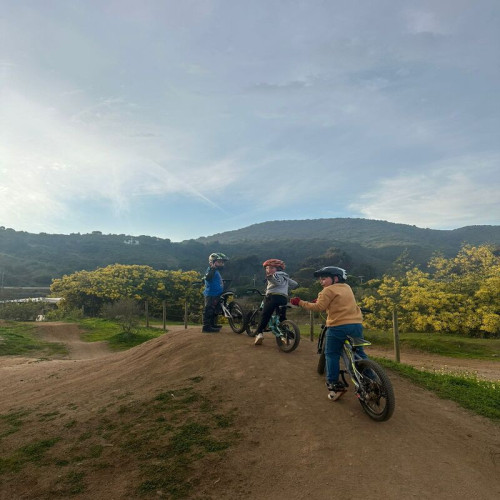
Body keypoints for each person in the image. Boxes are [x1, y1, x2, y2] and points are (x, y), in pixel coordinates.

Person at [290, 266, 368, 401]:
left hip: (338, 326)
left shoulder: (327, 290)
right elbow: (337, 301)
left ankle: (334, 386)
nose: (321, 282)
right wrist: (320, 300)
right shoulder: (347, 287)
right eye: (320, 279)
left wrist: (300, 302)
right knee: (359, 352)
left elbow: (319, 307)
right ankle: (371, 377)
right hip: (356, 325)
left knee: (331, 354)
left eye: (324, 278)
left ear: (335, 278)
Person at [254, 259, 298, 346]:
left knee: (265, 315)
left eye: (271, 268)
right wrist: (285, 288)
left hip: (272, 297)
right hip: (283, 298)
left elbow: (277, 282)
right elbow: (295, 284)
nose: (268, 270)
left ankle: (259, 334)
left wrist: (270, 277)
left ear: (278, 269)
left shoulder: (275, 275)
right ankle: (284, 334)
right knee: (281, 317)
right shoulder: (285, 276)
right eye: (267, 268)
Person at [202, 252, 229, 333]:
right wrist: (212, 269)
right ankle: (206, 327)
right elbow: (208, 278)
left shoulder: (216, 271)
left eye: (222, 262)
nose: (222, 264)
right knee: (209, 310)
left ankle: (212, 324)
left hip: (217, 294)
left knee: (215, 311)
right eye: (219, 262)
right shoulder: (211, 270)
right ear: (212, 262)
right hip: (211, 294)